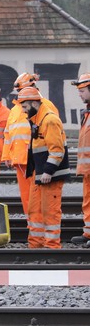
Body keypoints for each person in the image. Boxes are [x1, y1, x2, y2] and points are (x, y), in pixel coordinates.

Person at [19, 86, 69, 249]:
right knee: (35, 211)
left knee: (50, 212)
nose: (24, 111)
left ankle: (52, 247)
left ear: (34, 103)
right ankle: (36, 245)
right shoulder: (38, 120)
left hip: (49, 175)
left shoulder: (49, 120)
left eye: (25, 107)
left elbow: (57, 149)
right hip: (39, 174)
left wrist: (48, 171)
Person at [2, 73, 59, 214]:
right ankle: (32, 225)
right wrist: (7, 155)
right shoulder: (15, 109)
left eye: (23, 90)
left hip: (36, 159)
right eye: (19, 91)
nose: (21, 94)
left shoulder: (46, 106)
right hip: (20, 160)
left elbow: (53, 132)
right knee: (26, 197)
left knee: (38, 197)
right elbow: (8, 133)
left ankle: (39, 227)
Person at [71, 73, 90, 246]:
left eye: (82, 90)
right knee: (88, 202)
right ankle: (88, 234)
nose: (79, 94)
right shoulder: (87, 114)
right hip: (87, 170)